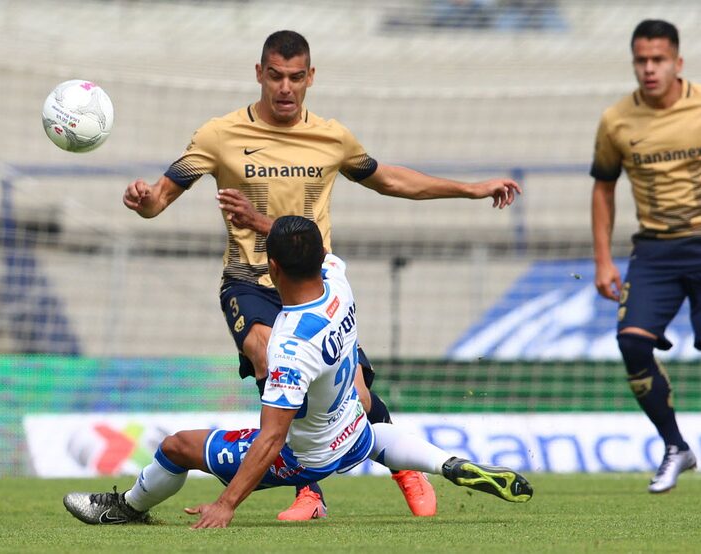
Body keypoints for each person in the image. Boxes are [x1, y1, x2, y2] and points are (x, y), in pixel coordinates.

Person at [122, 30, 522, 520]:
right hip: (250, 279)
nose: (285, 88)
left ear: (310, 77)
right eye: (275, 76)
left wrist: (471, 190)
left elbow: (391, 180)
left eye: (295, 77)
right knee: (271, 356)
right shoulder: (218, 135)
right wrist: (146, 203)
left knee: (358, 394)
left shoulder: (331, 137)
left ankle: (404, 467)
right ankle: (310, 491)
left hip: (315, 284)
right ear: (259, 74)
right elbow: (160, 197)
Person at [63, 216, 533, 528]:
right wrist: (264, 223)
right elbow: (315, 248)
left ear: (271, 267)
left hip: (306, 456)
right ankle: (447, 464)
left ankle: (126, 508)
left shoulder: (289, 346)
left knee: (176, 446)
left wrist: (226, 505)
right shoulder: (337, 282)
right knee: (375, 435)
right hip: (355, 430)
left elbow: (271, 440)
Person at [590, 19, 699, 493]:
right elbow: (603, 188)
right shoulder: (617, 120)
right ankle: (676, 446)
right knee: (632, 342)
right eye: (641, 60)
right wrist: (602, 260)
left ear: (678, 62)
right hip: (654, 250)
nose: (649, 69)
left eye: (658, 60)